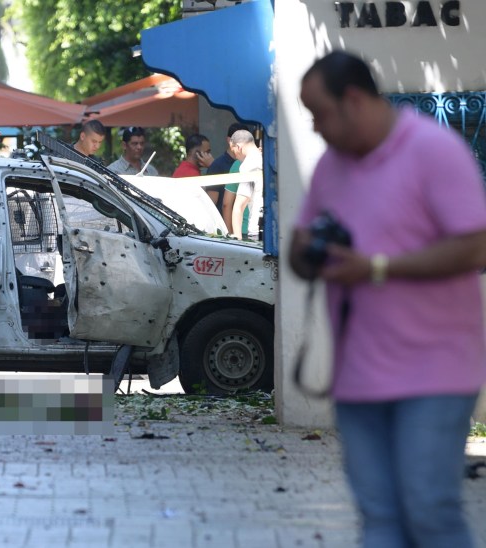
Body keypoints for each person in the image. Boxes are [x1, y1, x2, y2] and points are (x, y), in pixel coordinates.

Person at [289, 50, 486, 548]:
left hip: (435, 373)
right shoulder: (332, 166)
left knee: (428, 512)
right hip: (359, 377)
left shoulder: (433, 151)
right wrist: (305, 251)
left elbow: (475, 245)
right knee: (378, 520)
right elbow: (301, 248)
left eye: (319, 114)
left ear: (353, 100)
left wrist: (377, 268)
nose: (314, 128)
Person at [206, 122, 251, 211]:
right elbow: (211, 204)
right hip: (223, 222)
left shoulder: (249, 163)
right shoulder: (217, 166)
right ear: (229, 140)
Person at [228, 130, 262, 240]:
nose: (236, 157)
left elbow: (239, 206)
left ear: (238, 147)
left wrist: (238, 238)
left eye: (234, 152)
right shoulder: (267, 158)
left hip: (256, 230)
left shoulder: (248, 166)